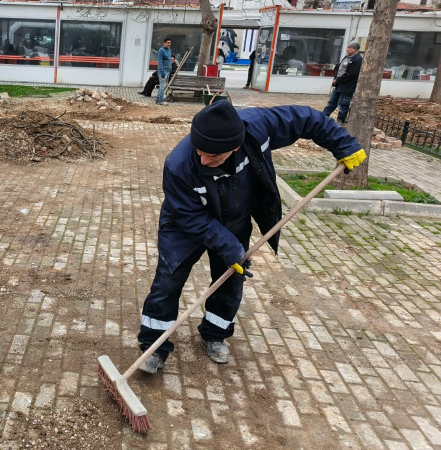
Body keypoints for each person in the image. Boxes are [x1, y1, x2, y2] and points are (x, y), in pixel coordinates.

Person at [136, 101, 366, 372]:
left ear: (235, 146)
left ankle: (215, 334)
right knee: (168, 281)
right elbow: (191, 218)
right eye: (199, 150)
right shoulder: (179, 164)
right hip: (185, 226)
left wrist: (344, 145)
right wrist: (230, 247)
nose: (203, 159)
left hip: (235, 219)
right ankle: (154, 346)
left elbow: (307, 119)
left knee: (230, 280)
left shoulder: (257, 127)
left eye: (212, 155)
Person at [323, 42, 363, 124]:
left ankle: (340, 120)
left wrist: (338, 80)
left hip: (347, 86)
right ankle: (323, 117)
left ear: (355, 50)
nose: (347, 49)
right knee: (331, 102)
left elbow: (352, 74)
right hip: (339, 85)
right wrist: (335, 79)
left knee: (343, 104)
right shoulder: (346, 57)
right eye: (347, 47)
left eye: (350, 48)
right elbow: (339, 68)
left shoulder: (357, 59)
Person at [155, 38, 174, 105]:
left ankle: (158, 99)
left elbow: (169, 60)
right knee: (162, 86)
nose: (169, 44)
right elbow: (159, 61)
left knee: (163, 85)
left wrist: (170, 69)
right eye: (168, 42)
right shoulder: (161, 50)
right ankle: (160, 100)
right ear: (164, 43)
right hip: (163, 71)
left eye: (170, 43)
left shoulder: (169, 50)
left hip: (168, 70)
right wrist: (161, 71)